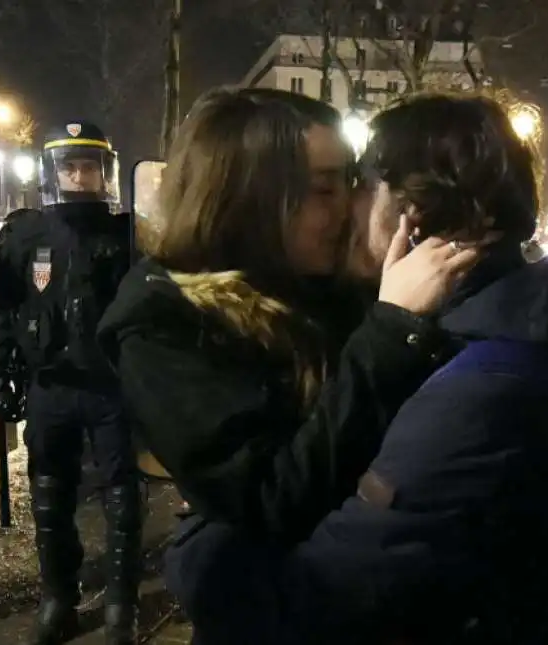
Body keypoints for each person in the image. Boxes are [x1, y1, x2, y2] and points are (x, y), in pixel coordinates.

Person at [163, 93, 548, 645]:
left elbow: (313, 601)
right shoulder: (484, 328)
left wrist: (197, 546)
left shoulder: (484, 391)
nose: (344, 207)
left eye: (362, 183)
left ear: (412, 213)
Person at [97, 87, 481, 546]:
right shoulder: (162, 320)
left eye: (352, 180)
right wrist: (391, 327)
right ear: (247, 199)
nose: (348, 205)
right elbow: (268, 496)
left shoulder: (320, 281)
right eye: (324, 188)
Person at [0, 121, 139, 645]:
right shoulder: (26, 234)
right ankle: (59, 597)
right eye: (68, 166)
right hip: (49, 384)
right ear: (53, 172)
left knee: (122, 497)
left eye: (88, 166)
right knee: (50, 494)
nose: (78, 175)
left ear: (104, 172)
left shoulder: (128, 235)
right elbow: (7, 309)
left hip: (110, 387)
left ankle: (122, 604)